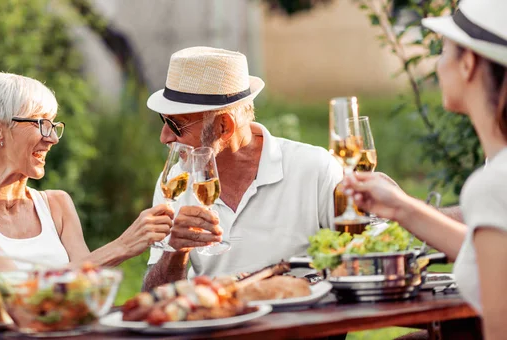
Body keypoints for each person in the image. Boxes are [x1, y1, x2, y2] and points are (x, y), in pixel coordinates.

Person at [0, 72, 174, 312]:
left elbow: (88, 292)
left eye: (54, 125)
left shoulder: (57, 205)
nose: (53, 138)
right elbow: (14, 292)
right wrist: (123, 245)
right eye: (41, 124)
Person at [344, 1, 507, 338]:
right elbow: (489, 256)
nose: (437, 63)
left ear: (468, 64)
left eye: (444, 48)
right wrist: (401, 207)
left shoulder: (493, 184)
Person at [142, 46, 343, 291]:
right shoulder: (176, 180)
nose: (164, 137)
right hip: (212, 324)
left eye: (175, 124)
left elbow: (358, 264)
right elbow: (154, 297)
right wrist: (175, 251)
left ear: (223, 127)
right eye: (163, 120)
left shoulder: (313, 168)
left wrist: (304, 284)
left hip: (295, 323)